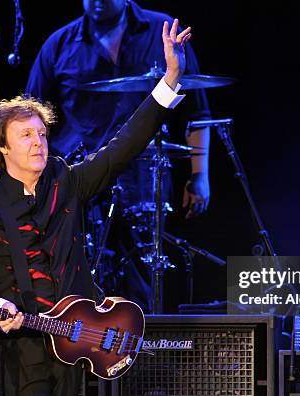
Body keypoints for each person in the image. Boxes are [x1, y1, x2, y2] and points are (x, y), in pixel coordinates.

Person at [0, 19, 191, 396]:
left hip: (73, 341)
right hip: (19, 347)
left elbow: (121, 149)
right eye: (25, 135)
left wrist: (169, 80)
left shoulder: (67, 180)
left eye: (42, 134)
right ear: (2, 147)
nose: (38, 142)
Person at [26, 0, 212, 310]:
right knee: (76, 280)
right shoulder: (59, 45)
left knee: (141, 277)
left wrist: (200, 174)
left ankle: (142, 346)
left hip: (143, 178)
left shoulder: (161, 31)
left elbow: (196, 111)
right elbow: (29, 116)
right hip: (79, 179)